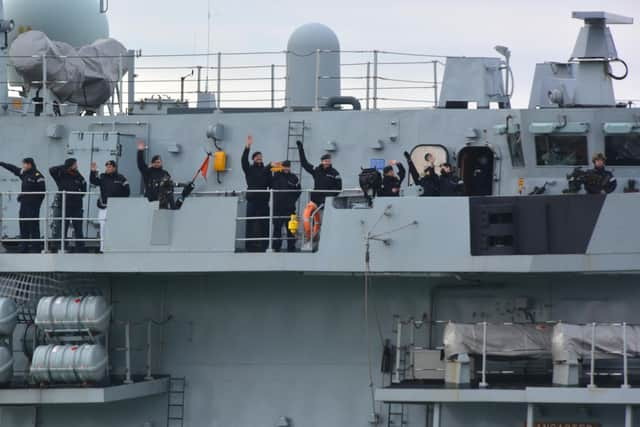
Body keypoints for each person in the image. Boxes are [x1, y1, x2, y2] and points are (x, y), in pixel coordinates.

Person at [296, 140, 342, 241]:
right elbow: (304, 164)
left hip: (328, 201)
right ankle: (312, 237)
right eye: (325, 161)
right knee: (309, 217)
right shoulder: (317, 170)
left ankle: (328, 240)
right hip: (316, 201)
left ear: (330, 161)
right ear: (322, 161)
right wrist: (300, 149)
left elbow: (338, 188)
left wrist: (328, 195)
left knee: (327, 222)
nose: (327, 162)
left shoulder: (335, 173)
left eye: (328, 160)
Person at [0, 158, 45, 253]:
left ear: (30, 164)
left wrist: (36, 203)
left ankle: (35, 247)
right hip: (24, 204)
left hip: (33, 205)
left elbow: (42, 192)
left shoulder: (38, 175)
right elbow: (13, 168)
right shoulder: (24, 173)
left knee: (33, 225)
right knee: (23, 224)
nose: (23, 166)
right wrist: (1, 163)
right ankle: (24, 246)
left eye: (24, 164)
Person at [90, 160, 130, 252]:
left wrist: (119, 201)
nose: (108, 168)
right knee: (103, 228)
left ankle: (116, 247)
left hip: (116, 208)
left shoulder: (121, 178)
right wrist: (93, 171)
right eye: (107, 166)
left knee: (116, 227)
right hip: (104, 207)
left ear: (114, 168)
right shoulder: (102, 177)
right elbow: (94, 181)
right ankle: (102, 248)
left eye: (110, 166)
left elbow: (127, 191)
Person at [49, 158, 87, 252]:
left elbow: (84, 188)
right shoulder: (61, 175)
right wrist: (65, 166)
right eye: (75, 164)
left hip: (77, 206)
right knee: (63, 227)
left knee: (78, 227)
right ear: (70, 165)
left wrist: (78, 196)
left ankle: (80, 248)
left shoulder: (78, 176)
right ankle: (62, 247)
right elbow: (51, 170)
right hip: (64, 205)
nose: (76, 166)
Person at [241, 136, 272, 252]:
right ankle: (249, 246)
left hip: (263, 201)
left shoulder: (267, 170)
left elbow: (271, 183)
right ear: (253, 159)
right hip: (252, 201)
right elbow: (244, 160)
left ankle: (264, 246)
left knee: (265, 223)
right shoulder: (249, 170)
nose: (260, 159)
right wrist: (247, 147)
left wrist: (278, 173)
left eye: (261, 158)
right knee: (250, 223)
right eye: (257, 158)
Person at [270, 160, 301, 252]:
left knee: (291, 229)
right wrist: (277, 167)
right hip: (277, 208)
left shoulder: (294, 177)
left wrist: (292, 200)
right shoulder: (276, 176)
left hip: (290, 208)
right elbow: (270, 171)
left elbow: (298, 190)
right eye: (285, 166)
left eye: (288, 166)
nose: (286, 168)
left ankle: (291, 248)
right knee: (277, 229)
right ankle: (276, 248)